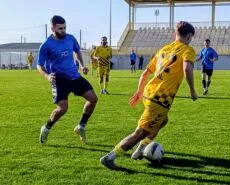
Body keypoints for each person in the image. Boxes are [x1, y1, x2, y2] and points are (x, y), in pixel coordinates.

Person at [100, 21, 198, 169]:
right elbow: (187, 69)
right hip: (160, 99)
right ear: (189, 36)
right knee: (140, 132)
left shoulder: (164, 49)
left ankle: (140, 150)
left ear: (175, 34)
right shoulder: (187, 50)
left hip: (148, 93)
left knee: (163, 121)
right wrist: (192, 90)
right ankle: (110, 157)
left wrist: (139, 92)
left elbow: (146, 73)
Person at [37, 15, 98, 144]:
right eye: (60, 28)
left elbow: (77, 51)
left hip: (74, 76)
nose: (63, 31)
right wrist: (47, 76)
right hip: (59, 79)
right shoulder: (46, 45)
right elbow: (39, 65)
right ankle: (46, 127)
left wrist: (82, 65)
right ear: (52, 28)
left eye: (64, 28)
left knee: (93, 99)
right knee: (63, 109)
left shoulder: (70, 38)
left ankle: (81, 126)